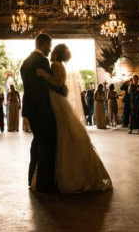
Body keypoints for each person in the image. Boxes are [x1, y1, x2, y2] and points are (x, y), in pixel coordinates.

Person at [36, 43, 112, 194]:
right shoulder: (60, 65)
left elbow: (57, 82)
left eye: (53, 50)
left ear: (56, 53)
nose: (50, 51)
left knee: (63, 131)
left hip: (56, 100)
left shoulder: (56, 65)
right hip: (58, 99)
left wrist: (43, 74)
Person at [20, 33, 57, 192]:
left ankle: (32, 178)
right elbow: (46, 86)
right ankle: (44, 183)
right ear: (44, 44)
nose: (50, 49)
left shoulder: (26, 61)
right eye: (49, 45)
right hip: (41, 107)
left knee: (37, 142)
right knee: (46, 144)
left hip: (30, 107)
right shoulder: (42, 61)